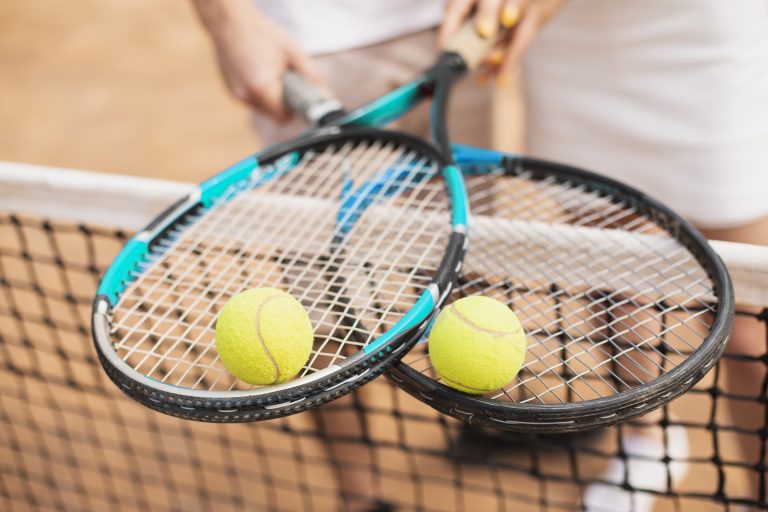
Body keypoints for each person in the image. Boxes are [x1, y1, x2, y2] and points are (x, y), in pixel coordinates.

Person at [192, 0, 768, 510]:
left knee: (466, 265)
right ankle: (362, 497)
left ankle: (489, 425)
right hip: (321, 43)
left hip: (453, 29)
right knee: (322, 314)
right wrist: (229, 16)